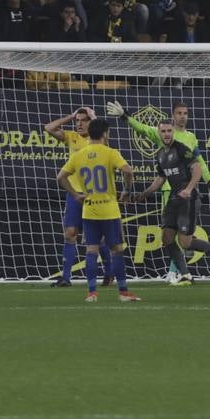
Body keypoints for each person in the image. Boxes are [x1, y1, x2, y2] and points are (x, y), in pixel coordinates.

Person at [135, 122, 210, 285]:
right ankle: (186, 275)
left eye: (169, 131)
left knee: (185, 242)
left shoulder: (182, 149)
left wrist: (189, 189)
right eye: (163, 131)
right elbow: (161, 178)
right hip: (174, 199)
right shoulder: (161, 154)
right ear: (159, 134)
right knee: (167, 238)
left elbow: (197, 169)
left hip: (188, 200)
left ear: (173, 133)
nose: (167, 134)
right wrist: (145, 193)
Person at [58, 118, 139, 303]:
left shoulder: (79, 155)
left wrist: (75, 194)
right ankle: (123, 292)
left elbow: (61, 177)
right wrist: (126, 191)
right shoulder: (110, 152)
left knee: (91, 251)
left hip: (89, 210)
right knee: (117, 251)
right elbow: (127, 171)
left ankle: (92, 293)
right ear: (104, 134)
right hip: (109, 211)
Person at [43, 106, 105, 287]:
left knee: (98, 238)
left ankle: (109, 274)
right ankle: (66, 277)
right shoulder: (71, 137)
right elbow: (49, 128)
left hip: (94, 195)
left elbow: (105, 141)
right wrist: (70, 116)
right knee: (70, 234)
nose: (79, 124)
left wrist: (93, 118)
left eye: (83, 120)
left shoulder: (97, 140)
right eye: (77, 121)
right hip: (75, 194)